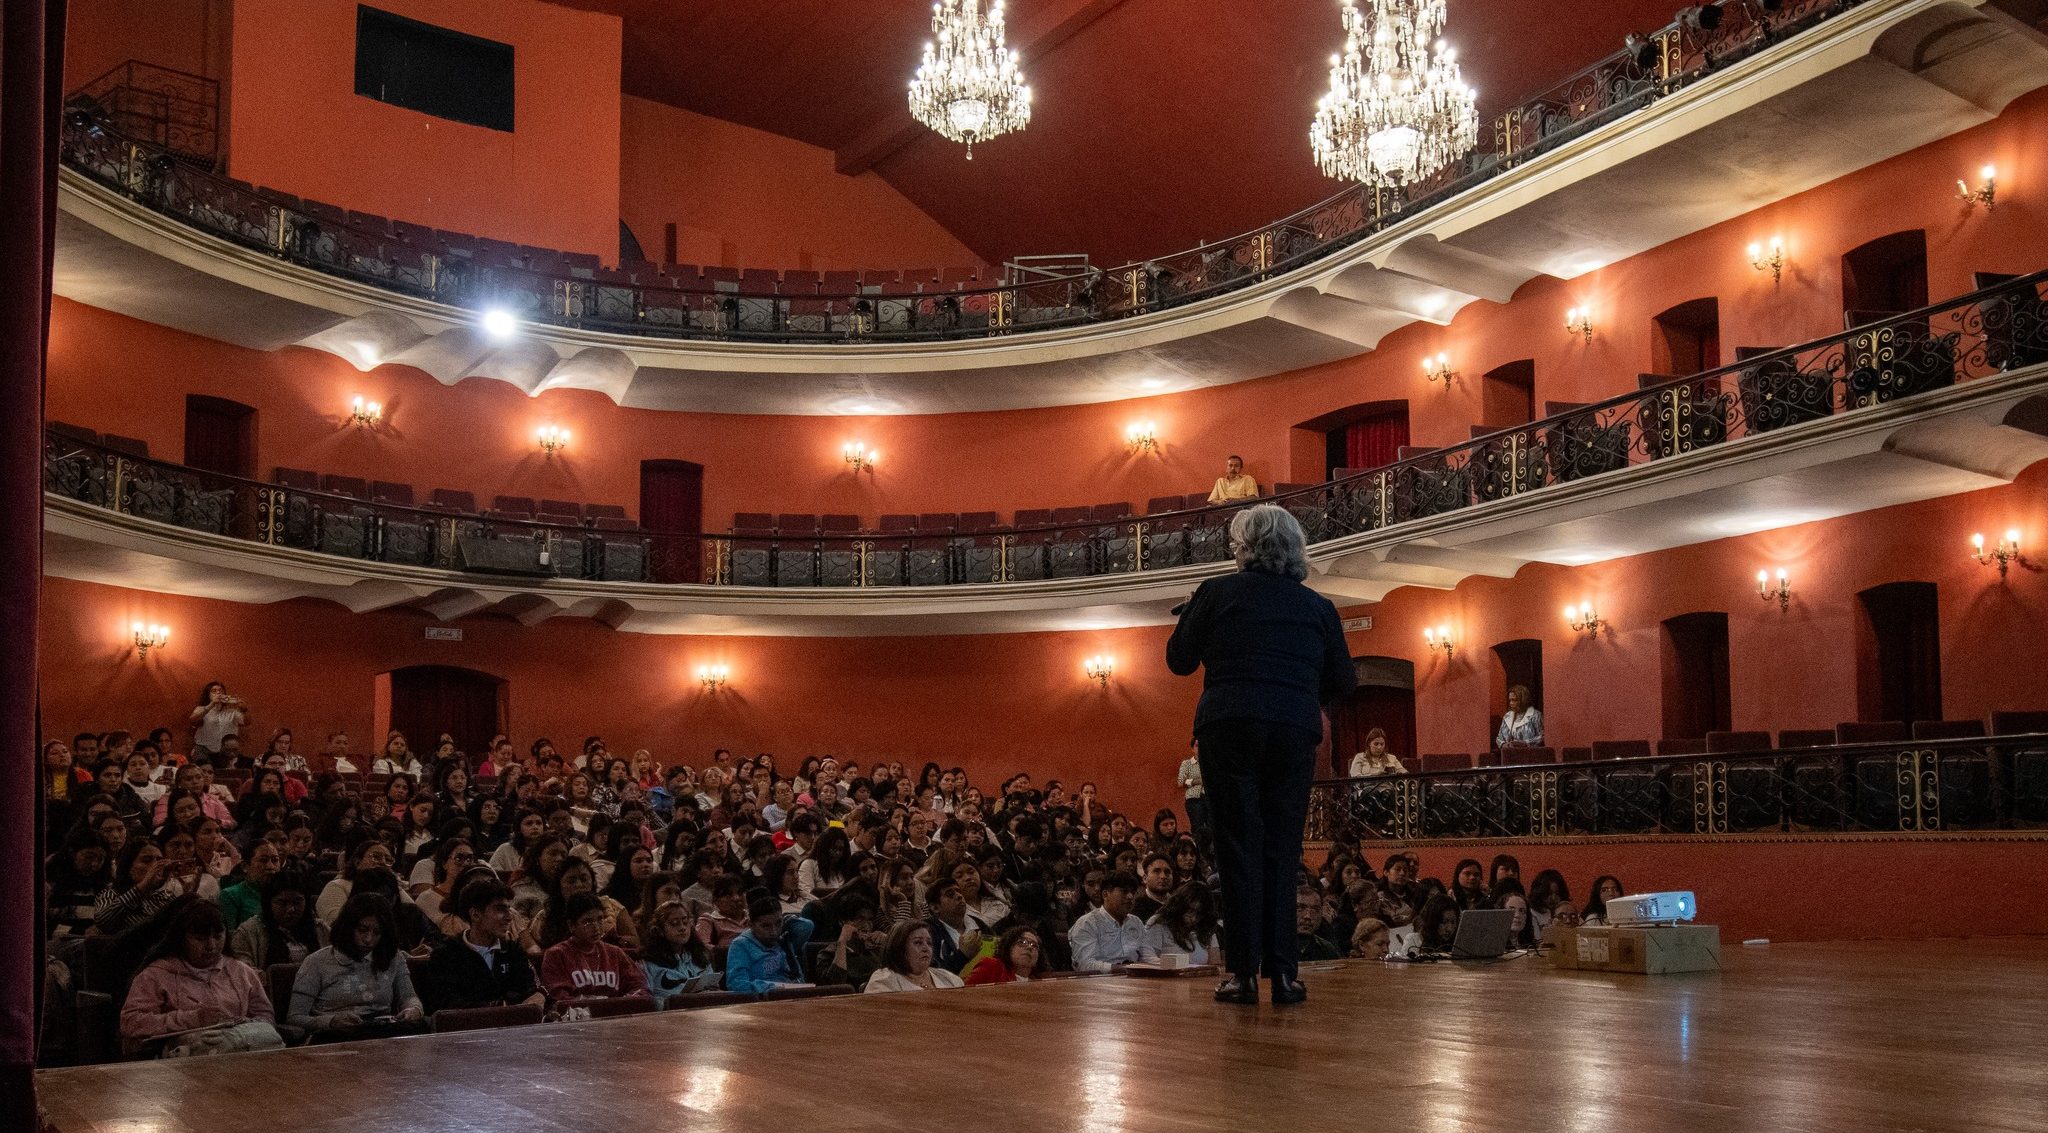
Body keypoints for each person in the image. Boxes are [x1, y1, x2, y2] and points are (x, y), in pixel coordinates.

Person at [1167, 503, 1356, 1005]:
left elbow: (1179, 661)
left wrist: (1194, 613)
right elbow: (1344, 681)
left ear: (1242, 549)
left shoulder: (1217, 592)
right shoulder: (1317, 606)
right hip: (1293, 728)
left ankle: (1242, 975)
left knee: (1237, 845)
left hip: (1229, 724)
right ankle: (1286, 974)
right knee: (1282, 846)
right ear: (1296, 550)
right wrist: (1295, 694)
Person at [119, 899, 281, 1057]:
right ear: (182, 938)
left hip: (239, 1049)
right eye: (200, 939)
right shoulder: (156, 975)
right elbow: (131, 1023)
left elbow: (265, 1017)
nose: (211, 946)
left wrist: (240, 1026)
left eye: (218, 936)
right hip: (178, 1063)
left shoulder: (241, 971)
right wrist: (193, 1018)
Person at [288, 894, 428, 1041]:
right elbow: (295, 1018)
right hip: (335, 1036)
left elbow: (409, 997)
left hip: (381, 1032)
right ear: (348, 927)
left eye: (377, 933)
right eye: (362, 930)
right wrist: (330, 1021)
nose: (369, 939)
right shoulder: (316, 962)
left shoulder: (392, 957)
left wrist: (413, 1010)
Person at [540, 893, 650, 1005]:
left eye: (600, 919)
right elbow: (558, 998)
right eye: (587, 922)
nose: (596, 927)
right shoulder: (557, 955)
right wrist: (596, 1006)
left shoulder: (615, 953)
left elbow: (640, 988)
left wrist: (620, 1005)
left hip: (615, 1016)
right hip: (577, 1019)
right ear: (571, 925)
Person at [724, 895, 815, 994]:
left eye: (778, 923)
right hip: (762, 1001)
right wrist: (771, 988)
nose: (774, 932)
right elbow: (736, 984)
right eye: (766, 926)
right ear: (751, 925)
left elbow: (807, 926)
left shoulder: (783, 940)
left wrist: (786, 920)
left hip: (793, 994)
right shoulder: (740, 945)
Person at [229, 874, 323, 969]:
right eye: (282, 903)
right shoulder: (248, 932)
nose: (291, 909)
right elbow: (244, 973)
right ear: (269, 904)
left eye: (297, 902)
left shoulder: (320, 928)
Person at [640, 899, 717, 1006]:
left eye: (685, 922)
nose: (682, 928)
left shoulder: (701, 956)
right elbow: (646, 1001)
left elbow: (713, 989)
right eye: (674, 923)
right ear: (660, 930)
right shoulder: (648, 962)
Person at [1069, 870, 1150, 972]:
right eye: (1124, 891)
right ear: (1105, 895)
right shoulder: (1087, 923)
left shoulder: (1136, 922)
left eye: (1133, 892)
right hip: (1098, 983)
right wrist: (1123, 969)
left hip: (1134, 979)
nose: (1130, 897)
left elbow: (1148, 955)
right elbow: (1085, 965)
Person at [863, 921, 966, 993]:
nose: (926, 948)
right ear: (899, 947)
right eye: (918, 942)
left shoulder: (948, 978)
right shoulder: (884, 980)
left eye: (929, 943)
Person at [1143, 882, 1223, 967]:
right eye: (1190, 911)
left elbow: (1215, 965)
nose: (1194, 918)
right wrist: (1180, 967)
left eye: (1199, 913)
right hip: (1165, 977)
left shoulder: (1206, 926)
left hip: (1197, 978)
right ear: (1180, 906)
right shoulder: (1159, 922)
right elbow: (1147, 957)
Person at [964, 925, 1047, 985]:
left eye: (1034, 945)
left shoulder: (1040, 984)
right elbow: (963, 996)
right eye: (1022, 942)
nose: (1029, 947)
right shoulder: (991, 966)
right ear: (1009, 947)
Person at [188, 681, 247, 765]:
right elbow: (193, 719)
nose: (218, 693)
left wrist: (245, 709)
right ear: (208, 695)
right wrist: (212, 704)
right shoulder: (202, 709)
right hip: (204, 750)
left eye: (220, 691)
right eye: (214, 691)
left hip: (226, 752)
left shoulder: (232, 711)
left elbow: (247, 722)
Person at [1295, 888, 1344, 962]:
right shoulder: (1274, 948)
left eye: (1315, 909)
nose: (1308, 916)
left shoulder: (1328, 949)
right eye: (1300, 908)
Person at [1495, 684, 1544, 749]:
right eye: (1510, 700)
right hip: (1509, 755)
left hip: (1530, 755)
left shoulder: (1535, 715)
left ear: (1523, 700)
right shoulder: (1507, 716)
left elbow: (1542, 737)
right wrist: (1504, 745)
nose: (1511, 703)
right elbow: (1499, 738)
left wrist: (1525, 743)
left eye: (1514, 700)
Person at [1176, 743, 1208, 837]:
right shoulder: (1187, 763)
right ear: (1192, 749)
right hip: (1194, 800)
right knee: (1197, 828)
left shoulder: (1210, 764)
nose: (1200, 748)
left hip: (1210, 799)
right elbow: (1180, 782)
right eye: (1197, 745)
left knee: (1213, 827)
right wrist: (1196, 781)